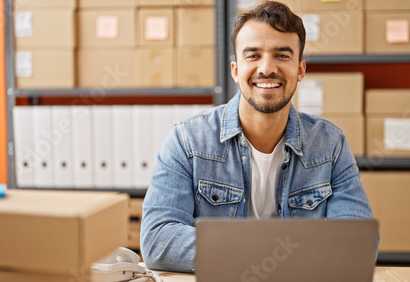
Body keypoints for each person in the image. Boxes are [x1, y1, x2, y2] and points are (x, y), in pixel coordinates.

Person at [140, 1, 376, 273]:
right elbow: (158, 240)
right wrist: (270, 255)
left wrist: (244, 254)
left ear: (300, 70)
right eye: (253, 55)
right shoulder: (188, 140)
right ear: (235, 70)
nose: (267, 68)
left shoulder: (330, 144)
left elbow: (358, 243)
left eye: (282, 55)